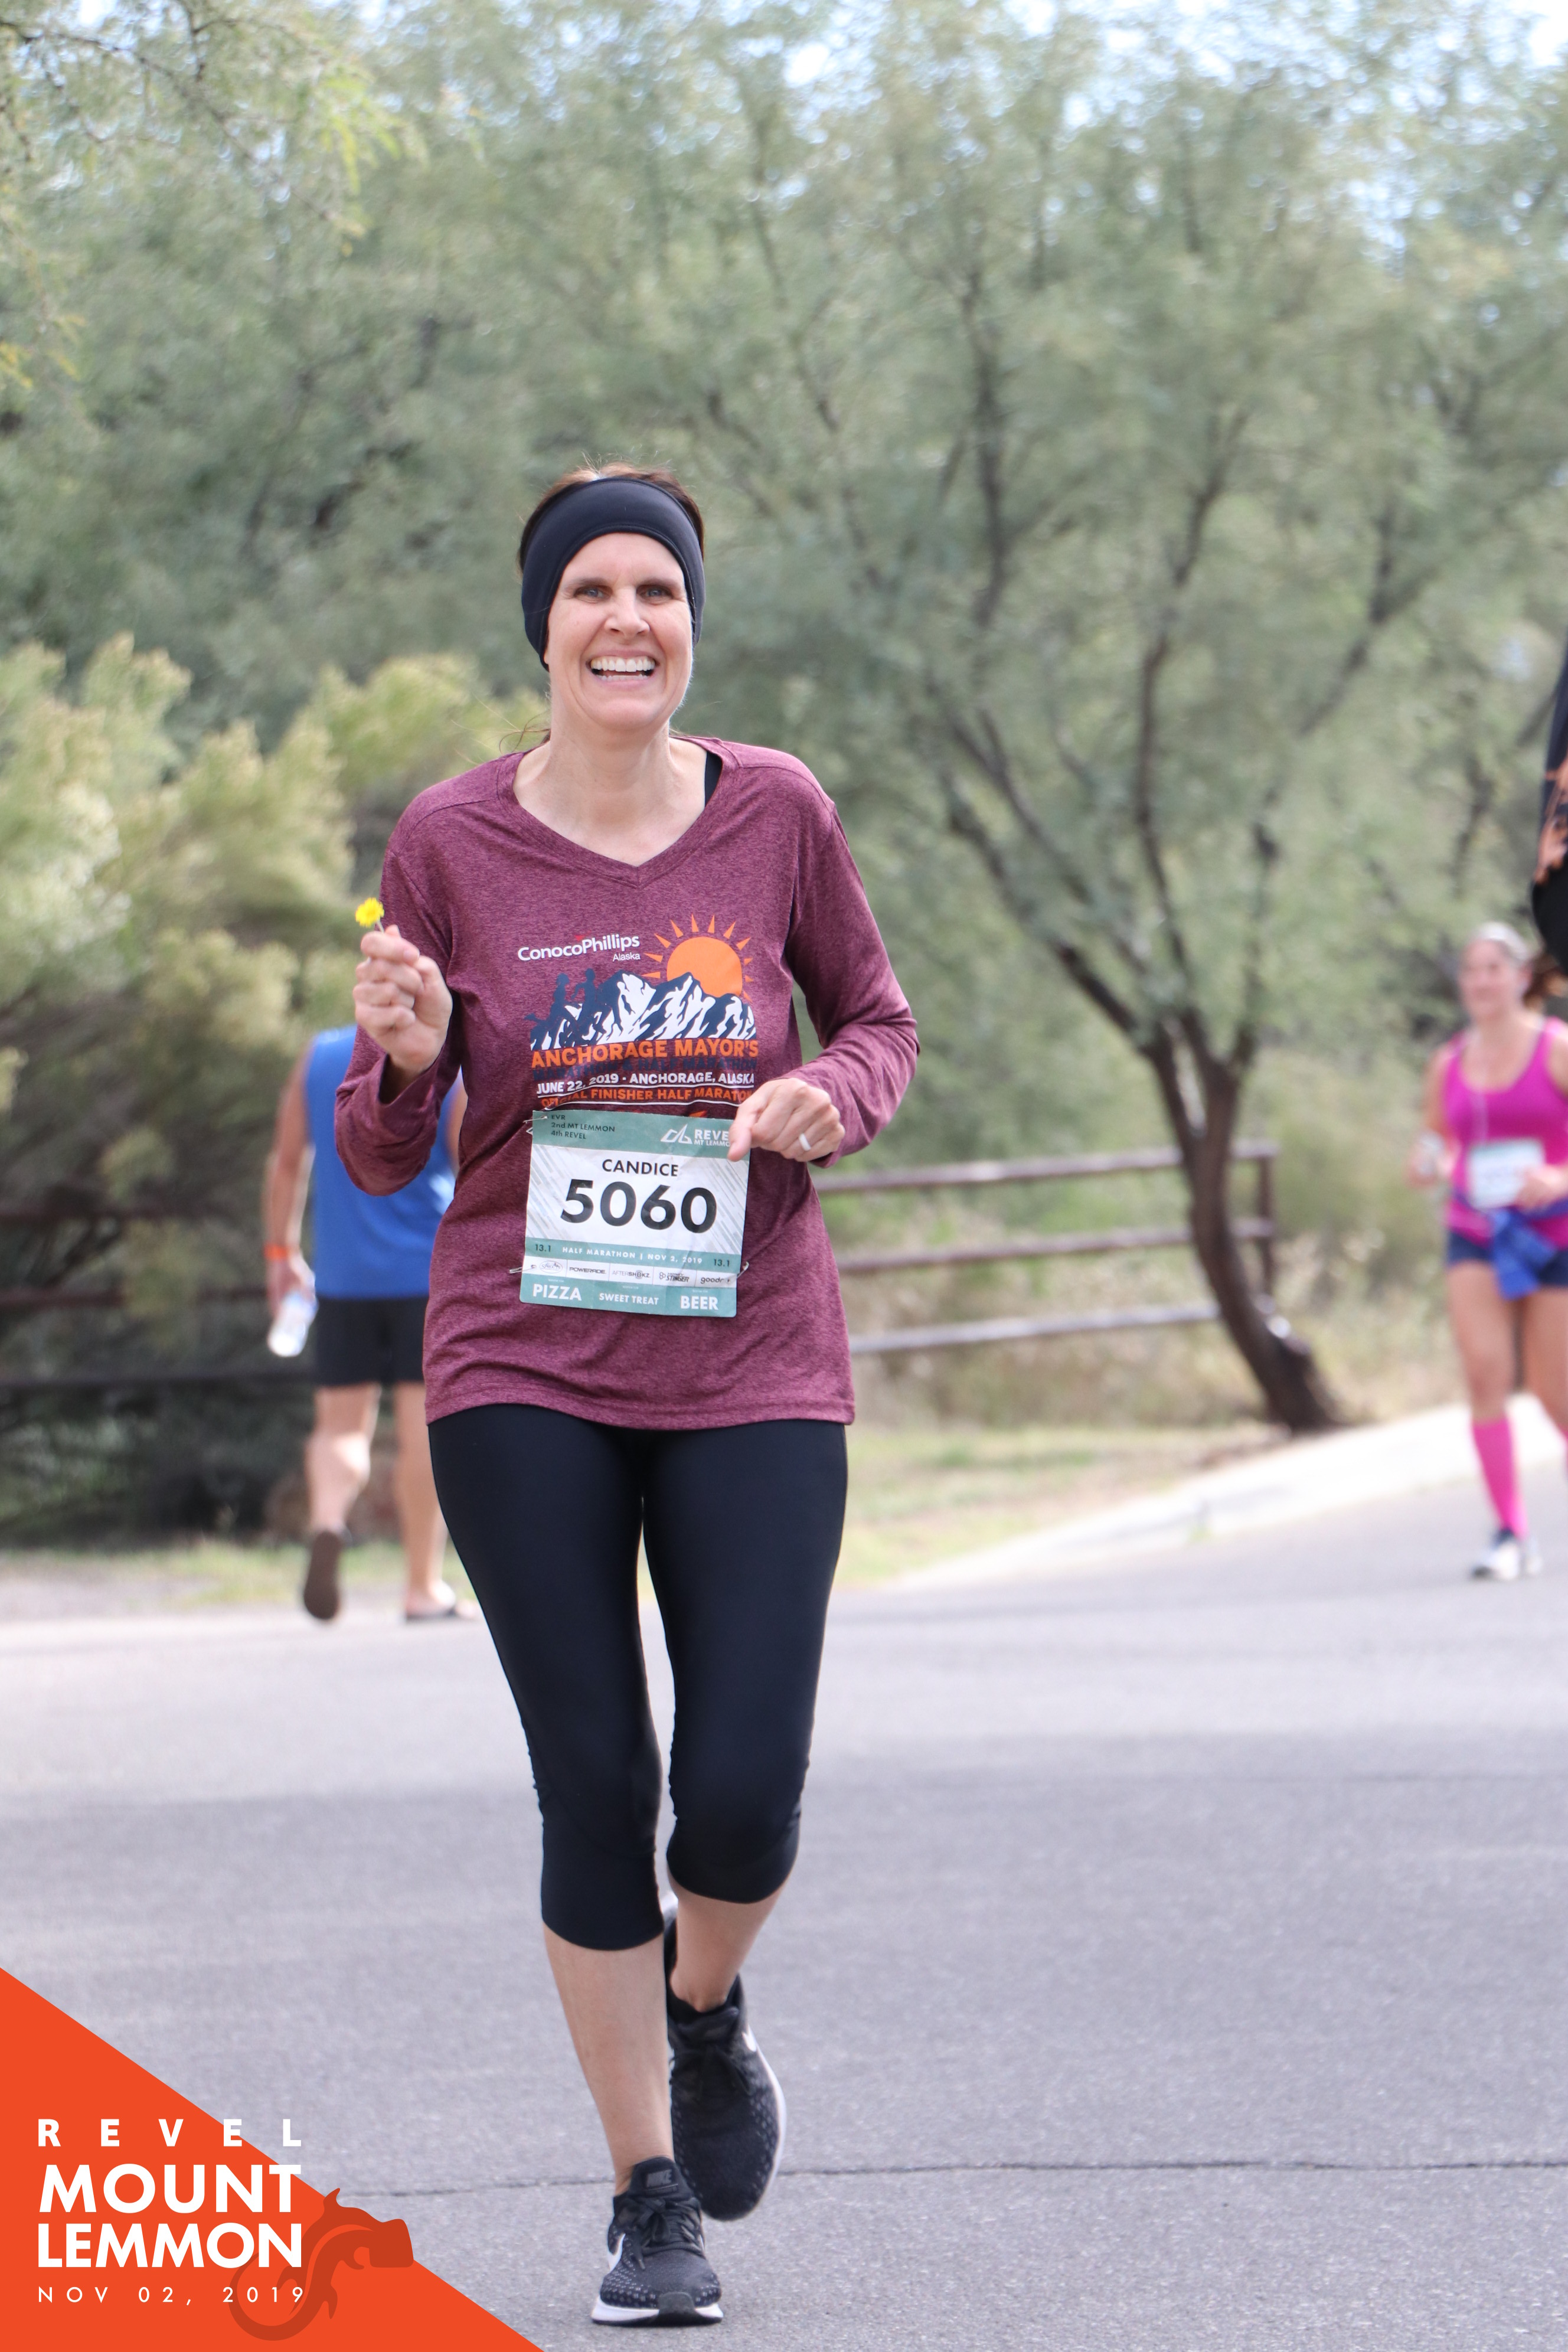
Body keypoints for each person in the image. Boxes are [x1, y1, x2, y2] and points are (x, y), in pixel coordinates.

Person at [336, 463, 917, 2325]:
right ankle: (646, 2190)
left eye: (656, 592)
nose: (626, 620)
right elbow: (381, 1145)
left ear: (689, 626)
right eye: (592, 590)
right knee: (598, 1783)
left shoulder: (777, 813)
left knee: (738, 1795)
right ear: (545, 628)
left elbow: (879, 1019)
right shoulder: (449, 839)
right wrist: (407, 1060)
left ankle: (704, 1998)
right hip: (522, 1357)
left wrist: (833, 1095)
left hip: (753, 1352)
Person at [263, 1026, 469, 1622]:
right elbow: (473, 1167)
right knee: (422, 1432)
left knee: (340, 1429)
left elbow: (286, 1164)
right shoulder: (448, 1060)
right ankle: (422, 1587)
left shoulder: (321, 1056)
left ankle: (328, 1519)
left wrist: (280, 1255)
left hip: (342, 1278)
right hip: (426, 1276)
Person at [1408, 922, 1568, 1581]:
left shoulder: (1556, 1048)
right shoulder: (1447, 1063)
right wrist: (1429, 1160)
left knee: (1558, 1392)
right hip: (1476, 1230)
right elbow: (1435, 1136)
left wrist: (1560, 1177)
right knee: (1483, 1371)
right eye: (1470, 970)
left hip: (1553, 1234)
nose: (1481, 981)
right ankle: (1509, 1532)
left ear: (1521, 977)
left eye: (1493, 968)